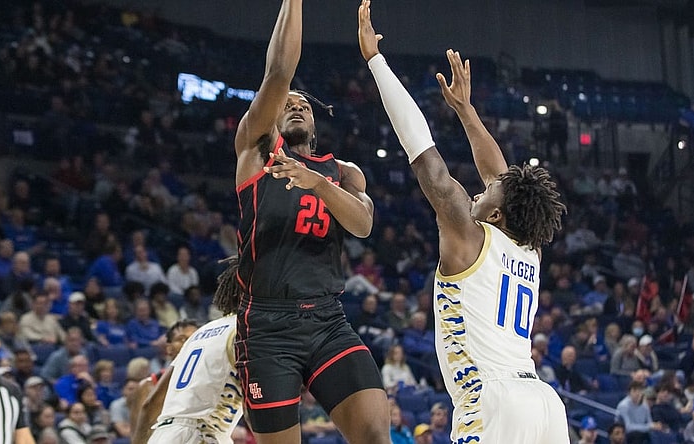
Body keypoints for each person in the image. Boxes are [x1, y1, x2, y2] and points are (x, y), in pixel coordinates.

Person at [358, 2, 567, 443]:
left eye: (485, 194)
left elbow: (424, 156)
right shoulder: (530, 247)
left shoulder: (469, 236)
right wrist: (466, 112)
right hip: (544, 403)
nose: (478, 189)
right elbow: (501, 176)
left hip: (492, 401)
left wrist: (376, 63)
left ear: (495, 214)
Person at [222, 1, 390, 443]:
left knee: (375, 433)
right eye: (288, 104)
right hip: (267, 326)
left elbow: (362, 224)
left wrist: (317, 183)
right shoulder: (257, 151)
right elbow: (279, 73)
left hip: (327, 319)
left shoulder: (344, 171)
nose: (295, 106)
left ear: (315, 122)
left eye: (304, 106)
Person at [133, 315, 243, 444]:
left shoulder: (201, 334)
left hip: (164, 434)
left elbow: (150, 405)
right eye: (181, 338)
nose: (185, 341)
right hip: (201, 432)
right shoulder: (241, 331)